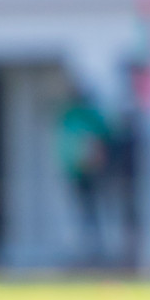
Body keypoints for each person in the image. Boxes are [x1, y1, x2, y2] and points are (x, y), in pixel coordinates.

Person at [57, 86, 110, 266]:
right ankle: (85, 250)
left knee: (91, 213)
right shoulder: (71, 116)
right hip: (75, 173)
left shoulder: (88, 117)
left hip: (90, 172)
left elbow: (102, 140)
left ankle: (95, 251)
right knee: (83, 214)